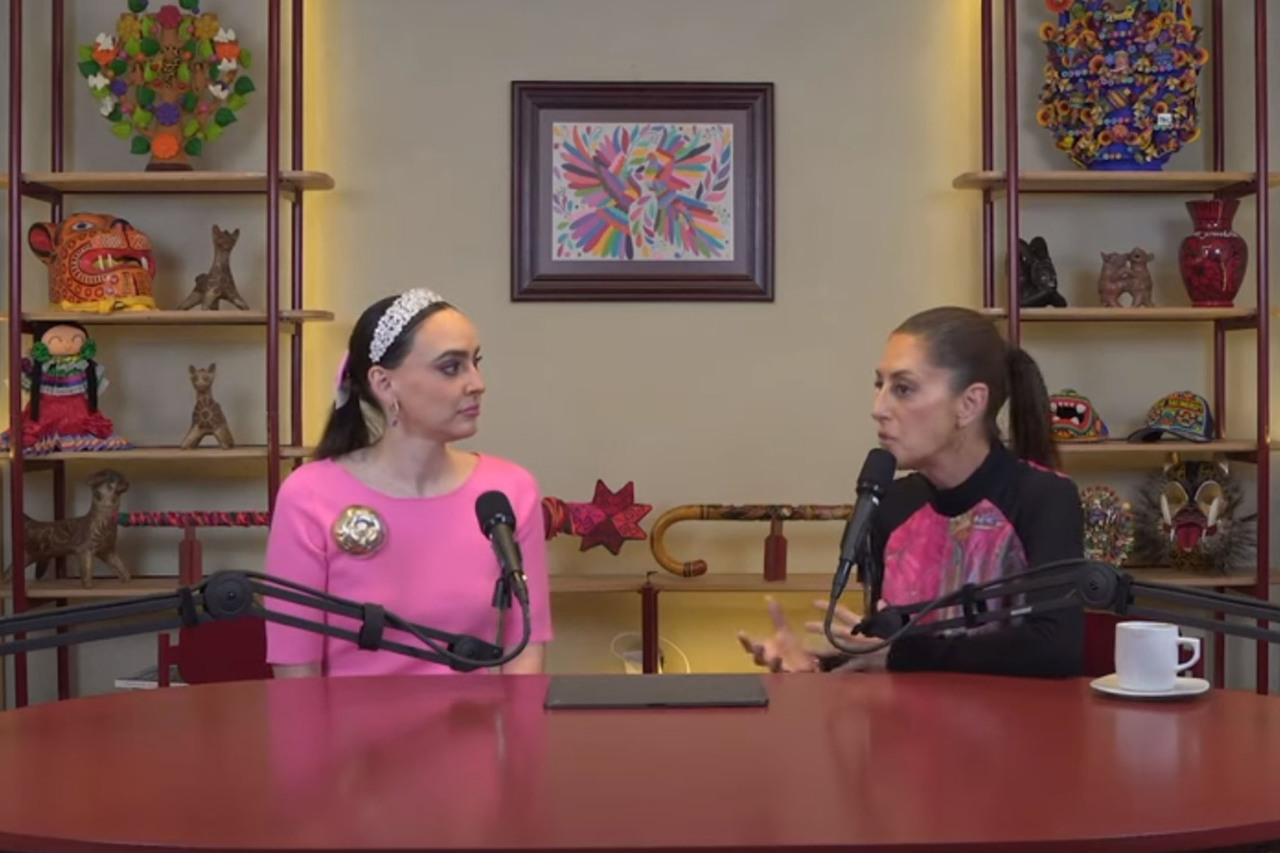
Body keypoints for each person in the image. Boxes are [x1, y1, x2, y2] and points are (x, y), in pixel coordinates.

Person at [738, 306, 1085, 678]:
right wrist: (818, 663)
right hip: (903, 716)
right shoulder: (892, 505)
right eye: (879, 386)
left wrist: (903, 655)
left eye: (903, 389)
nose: (878, 408)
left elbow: (1053, 649)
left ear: (969, 403)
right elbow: (884, 651)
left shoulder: (1045, 498)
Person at [264, 288, 553, 677]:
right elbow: (295, 670)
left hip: (479, 717)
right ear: (384, 384)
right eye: (451, 367)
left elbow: (526, 649)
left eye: (475, 362)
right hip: (353, 720)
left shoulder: (509, 490)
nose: (477, 383)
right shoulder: (309, 495)